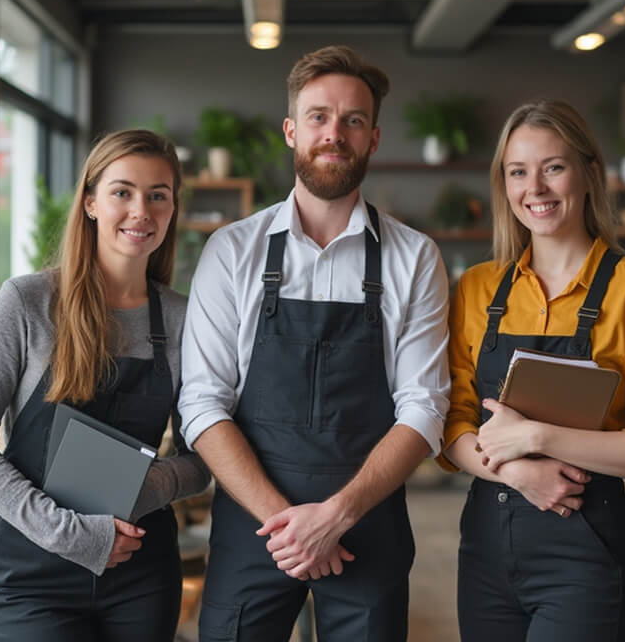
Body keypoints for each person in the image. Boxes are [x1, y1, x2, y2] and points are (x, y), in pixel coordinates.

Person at [179, 45, 450, 641]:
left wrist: (337, 515)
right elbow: (201, 403)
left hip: (367, 528)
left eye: (353, 120)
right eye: (319, 117)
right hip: (255, 528)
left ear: (373, 138)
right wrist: (290, 526)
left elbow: (425, 408)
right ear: (291, 130)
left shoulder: (414, 258)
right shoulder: (233, 251)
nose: (335, 133)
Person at [440, 100, 625, 642]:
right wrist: (516, 472)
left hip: (584, 555)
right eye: (518, 172)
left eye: (553, 167)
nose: (534, 188)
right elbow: (451, 424)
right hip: (486, 550)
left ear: (588, 173)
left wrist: (538, 437)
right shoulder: (476, 290)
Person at [0, 129, 211, 642]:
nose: (141, 210)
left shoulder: (186, 319)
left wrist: (145, 488)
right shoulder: (27, 303)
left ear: (172, 209)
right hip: (32, 571)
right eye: (122, 192)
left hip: (141, 566)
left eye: (158, 195)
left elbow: (202, 457)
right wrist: (70, 532)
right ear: (90, 202)